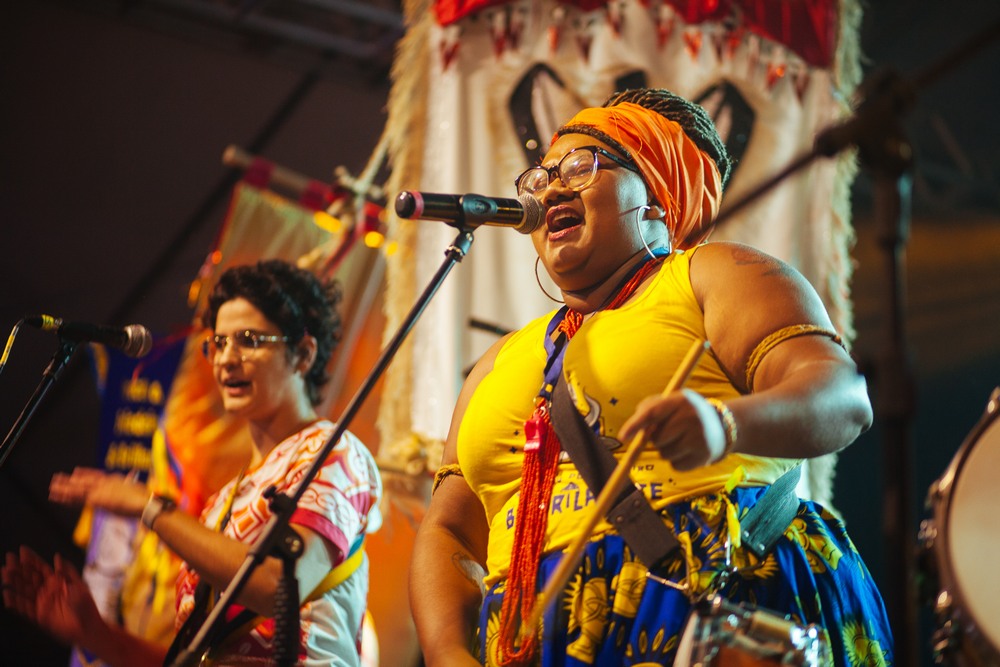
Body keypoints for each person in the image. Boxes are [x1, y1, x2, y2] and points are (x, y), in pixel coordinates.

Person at [408, 88, 893, 667]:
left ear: (658, 201)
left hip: (717, 606)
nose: (553, 188)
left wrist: (725, 426)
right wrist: (446, 651)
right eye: (541, 178)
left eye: (583, 168)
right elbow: (450, 531)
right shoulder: (499, 359)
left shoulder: (713, 274)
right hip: (539, 643)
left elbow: (842, 397)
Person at [2, 259, 383, 666]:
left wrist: (149, 507)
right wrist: (94, 633)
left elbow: (279, 589)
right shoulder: (222, 502)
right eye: (217, 343)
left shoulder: (333, 452)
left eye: (249, 340)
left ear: (303, 354)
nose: (225, 359)